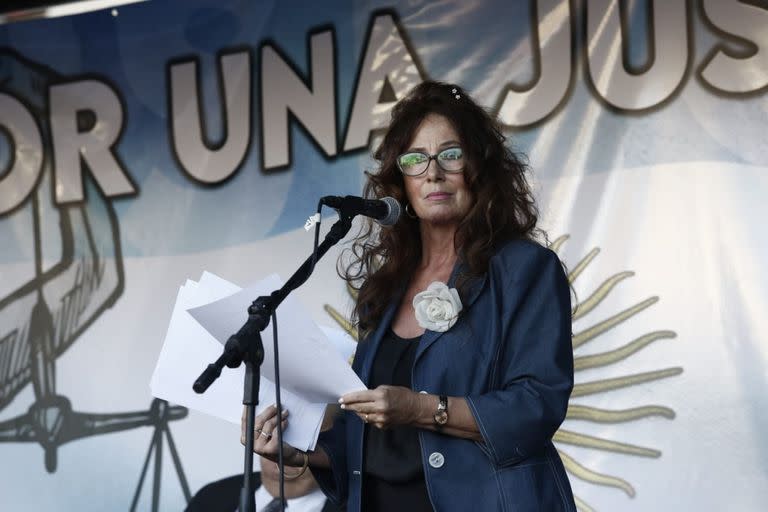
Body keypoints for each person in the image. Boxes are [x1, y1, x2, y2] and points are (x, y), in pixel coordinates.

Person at [247, 81, 576, 511]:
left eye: (451, 155)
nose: (433, 172)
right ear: (399, 180)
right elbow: (370, 439)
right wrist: (301, 455)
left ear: (480, 167)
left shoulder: (524, 269)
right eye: (415, 159)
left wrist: (420, 409)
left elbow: (537, 405)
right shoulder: (384, 288)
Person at [185, 455, 342, 512]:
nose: (282, 455)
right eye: (270, 436)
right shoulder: (213, 496)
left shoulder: (362, 504)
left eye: (303, 445)